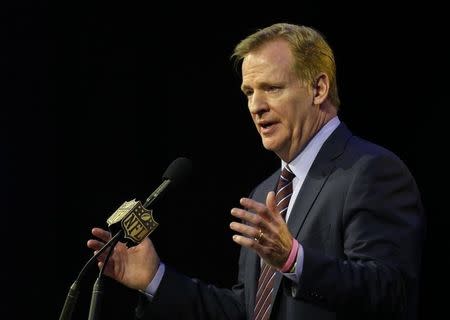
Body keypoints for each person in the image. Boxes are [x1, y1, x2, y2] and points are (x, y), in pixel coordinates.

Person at [87, 23, 425, 319]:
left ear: (318, 89)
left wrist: (294, 259)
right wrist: (155, 279)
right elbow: (247, 311)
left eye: (272, 88)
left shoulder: (370, 171)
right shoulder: (267, 192)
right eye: (249, 92)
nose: (256, 106)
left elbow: (390, 291)